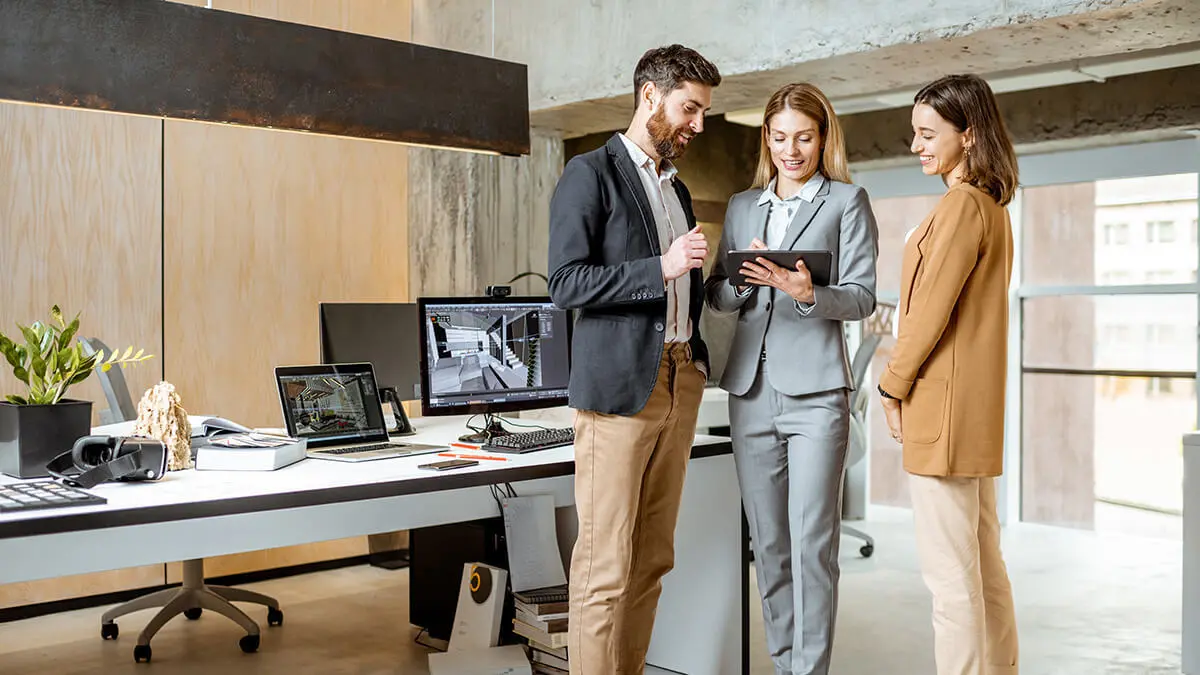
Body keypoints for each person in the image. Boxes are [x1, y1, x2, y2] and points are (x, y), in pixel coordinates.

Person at [546, 44, 720, 675]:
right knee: (605, 564)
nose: (697, 125)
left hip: (680, 378)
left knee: (652, 559)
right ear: (651, 94)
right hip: (621, 391)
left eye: (702, 112)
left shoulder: (679, 190)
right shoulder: (589, 173)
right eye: (689, 108)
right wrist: (661, 267)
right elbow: (565, 282)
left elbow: (684, 286)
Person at [705, 82, 879, 675]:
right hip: (750, 391)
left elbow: (860, 298)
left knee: (812, 545)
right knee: (770, 545)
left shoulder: (846, 202)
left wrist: (808, 294)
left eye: (804, 137)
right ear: (767, 140)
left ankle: (810, 669)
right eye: (780, 138)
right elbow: (720, 297)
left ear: (822, 137)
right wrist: (745, 280)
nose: (792, 150)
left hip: (817, 395)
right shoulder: (741, 206)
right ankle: (784, 664)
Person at [877, 73, 1021, 675]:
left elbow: (929, 311)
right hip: (971, 418)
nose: (916, 145)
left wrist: (891, 384)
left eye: (928, 133)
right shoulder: (988, 207)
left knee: (951, 584)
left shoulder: (962, 206)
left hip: (942, 417)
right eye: (914, 134)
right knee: (983, 570)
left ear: (968, 134)